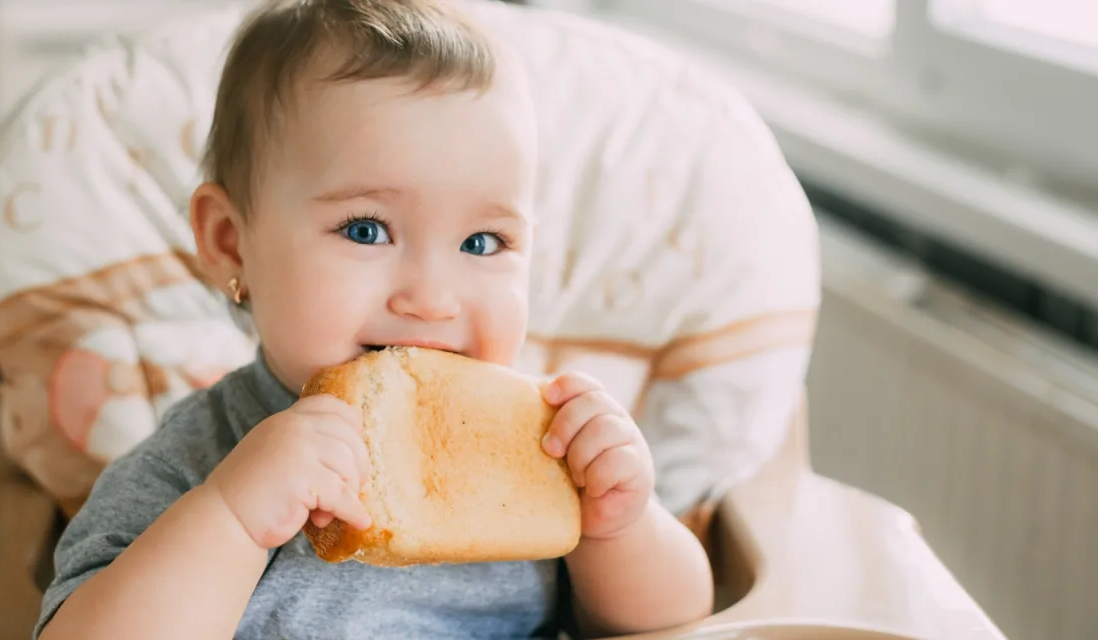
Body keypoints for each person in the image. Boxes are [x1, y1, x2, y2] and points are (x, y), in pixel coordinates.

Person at [36, 1, 713, 638]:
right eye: (366, 229)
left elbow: (671, 623)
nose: (431, 297)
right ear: (230, 244)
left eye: (483, 243)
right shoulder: (192, 462)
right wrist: (233, 517)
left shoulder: (542, 451)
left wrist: (619, 529)